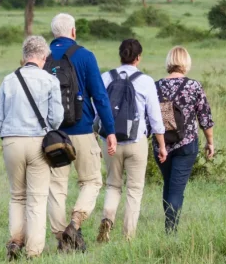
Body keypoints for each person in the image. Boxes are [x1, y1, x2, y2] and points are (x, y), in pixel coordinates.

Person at [0, 36, 63, 260]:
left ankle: (15, 241)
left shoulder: (9, 80)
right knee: (37, 198)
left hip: (11, 142)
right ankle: (34, 251)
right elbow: (57, 119)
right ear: (44, 57)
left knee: (17, 196)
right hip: (39, 143)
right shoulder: (50, 80)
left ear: (25, 55)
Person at [45, 13, 117, 250]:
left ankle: (60, 237)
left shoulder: (42, 56)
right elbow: (100, 96)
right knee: (92, 181)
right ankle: (74, 224)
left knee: (56, 188)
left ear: (54, 33)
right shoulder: (85, 56)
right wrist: (110, 130)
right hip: (83, 130)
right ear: (73, 32)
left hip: (53, 134)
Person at [96, 39, 166, 242]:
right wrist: (161, 146)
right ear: (138, 58)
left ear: (120, 56)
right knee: (134, 189)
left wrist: (97, 137)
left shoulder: (106, 77)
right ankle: (128, 235)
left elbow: (96, 111)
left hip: (111, 141)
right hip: (137, 141)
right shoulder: (146, 81)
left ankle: (108, 219)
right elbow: (155, 118)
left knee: (112, 185)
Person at [155, 46, 215, 233]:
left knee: (169, 183)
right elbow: (205, 117)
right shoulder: (193, 86)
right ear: (186, 63)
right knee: (176, 188)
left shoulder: (156, 86)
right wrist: (210, 142)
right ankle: (170, 231)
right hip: (186, 143)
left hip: (161, 144)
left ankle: (169, 226)